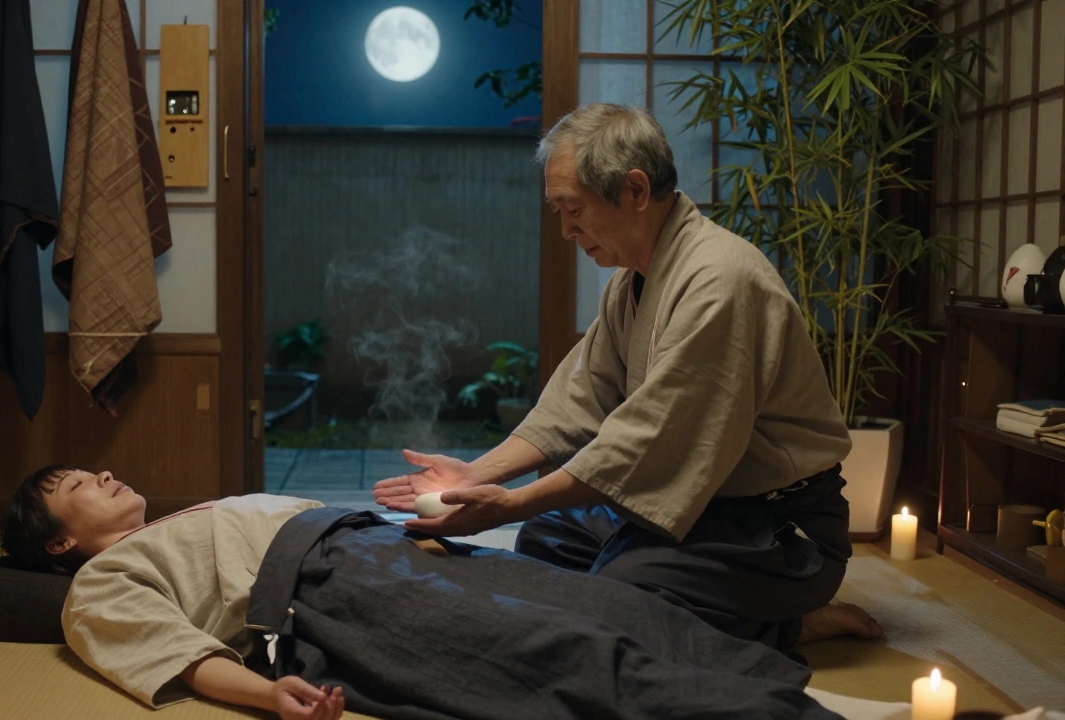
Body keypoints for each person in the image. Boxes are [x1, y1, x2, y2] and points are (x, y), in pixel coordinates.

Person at [373, 103, 883, 653]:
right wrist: (473, 476)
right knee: (548, 537)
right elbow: (578, 402)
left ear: (636, 190)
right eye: (558, 212)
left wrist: (516, 500)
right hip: (700, 513)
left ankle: (792, 624)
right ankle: (671, 595)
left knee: (619, 595)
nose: (567, 230)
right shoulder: (633, 281)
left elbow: (649, 438)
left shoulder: (720, 280)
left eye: (573, 209)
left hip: (779, 529)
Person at [0, 464, 845, 720]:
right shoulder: (99, 584)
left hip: (378, 545)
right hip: (323, 591)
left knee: (603, 604)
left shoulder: (192, 507)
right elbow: (174, 656)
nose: (105, 471)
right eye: (77, 481)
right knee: (559, 652)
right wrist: (268, 695)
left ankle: (772, 684)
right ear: (59, 541)